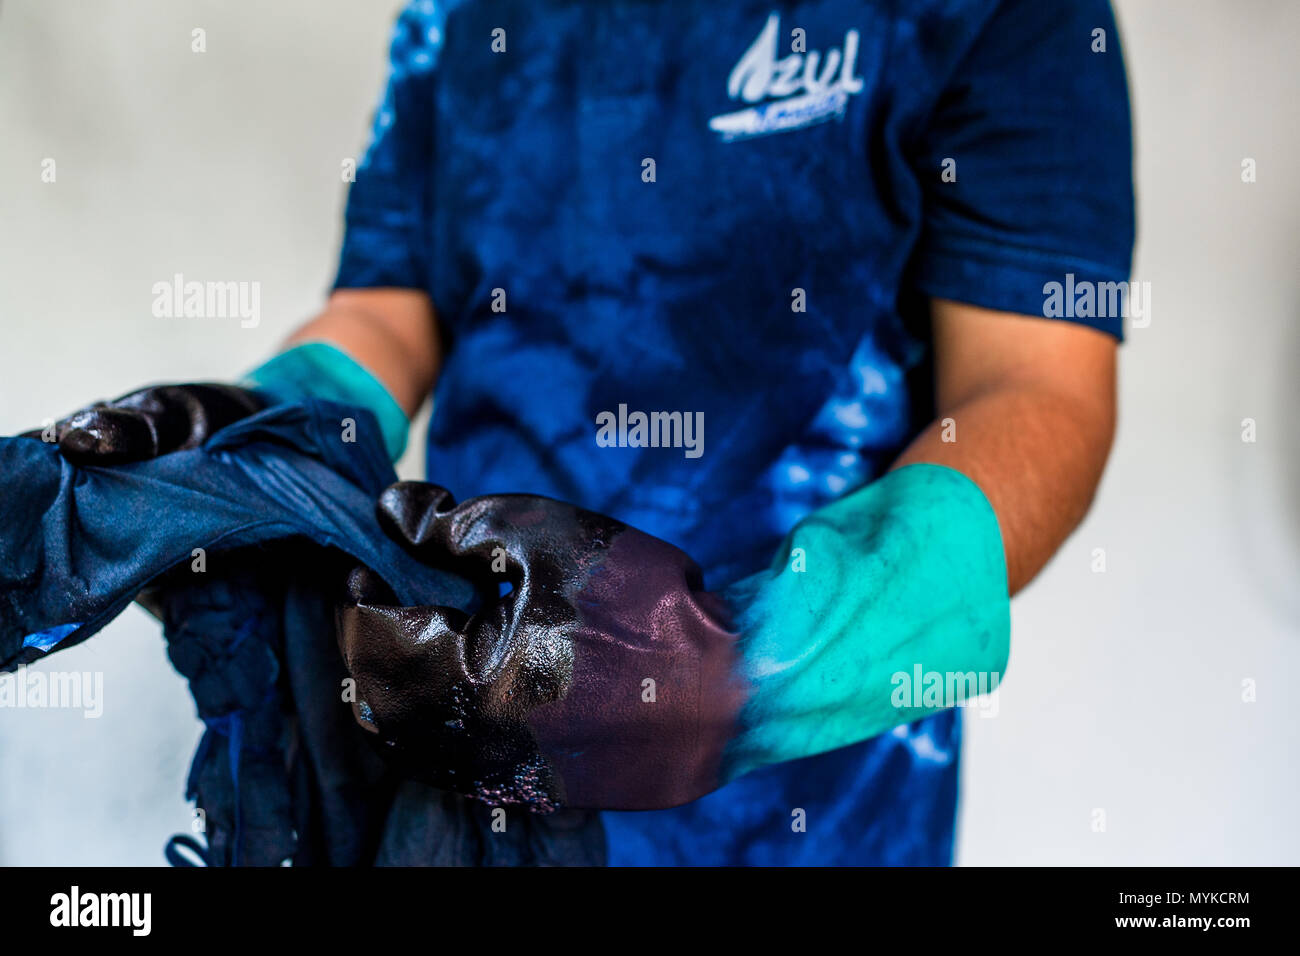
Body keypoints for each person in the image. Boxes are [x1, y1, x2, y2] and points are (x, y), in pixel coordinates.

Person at [42, 0, 1134, 865]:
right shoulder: (456, 13)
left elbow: (1036, 390)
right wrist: (252, 438)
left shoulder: (1007, 10)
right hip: (470, 758)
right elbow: (390, 307)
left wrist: (739, 667)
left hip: (817, 798)